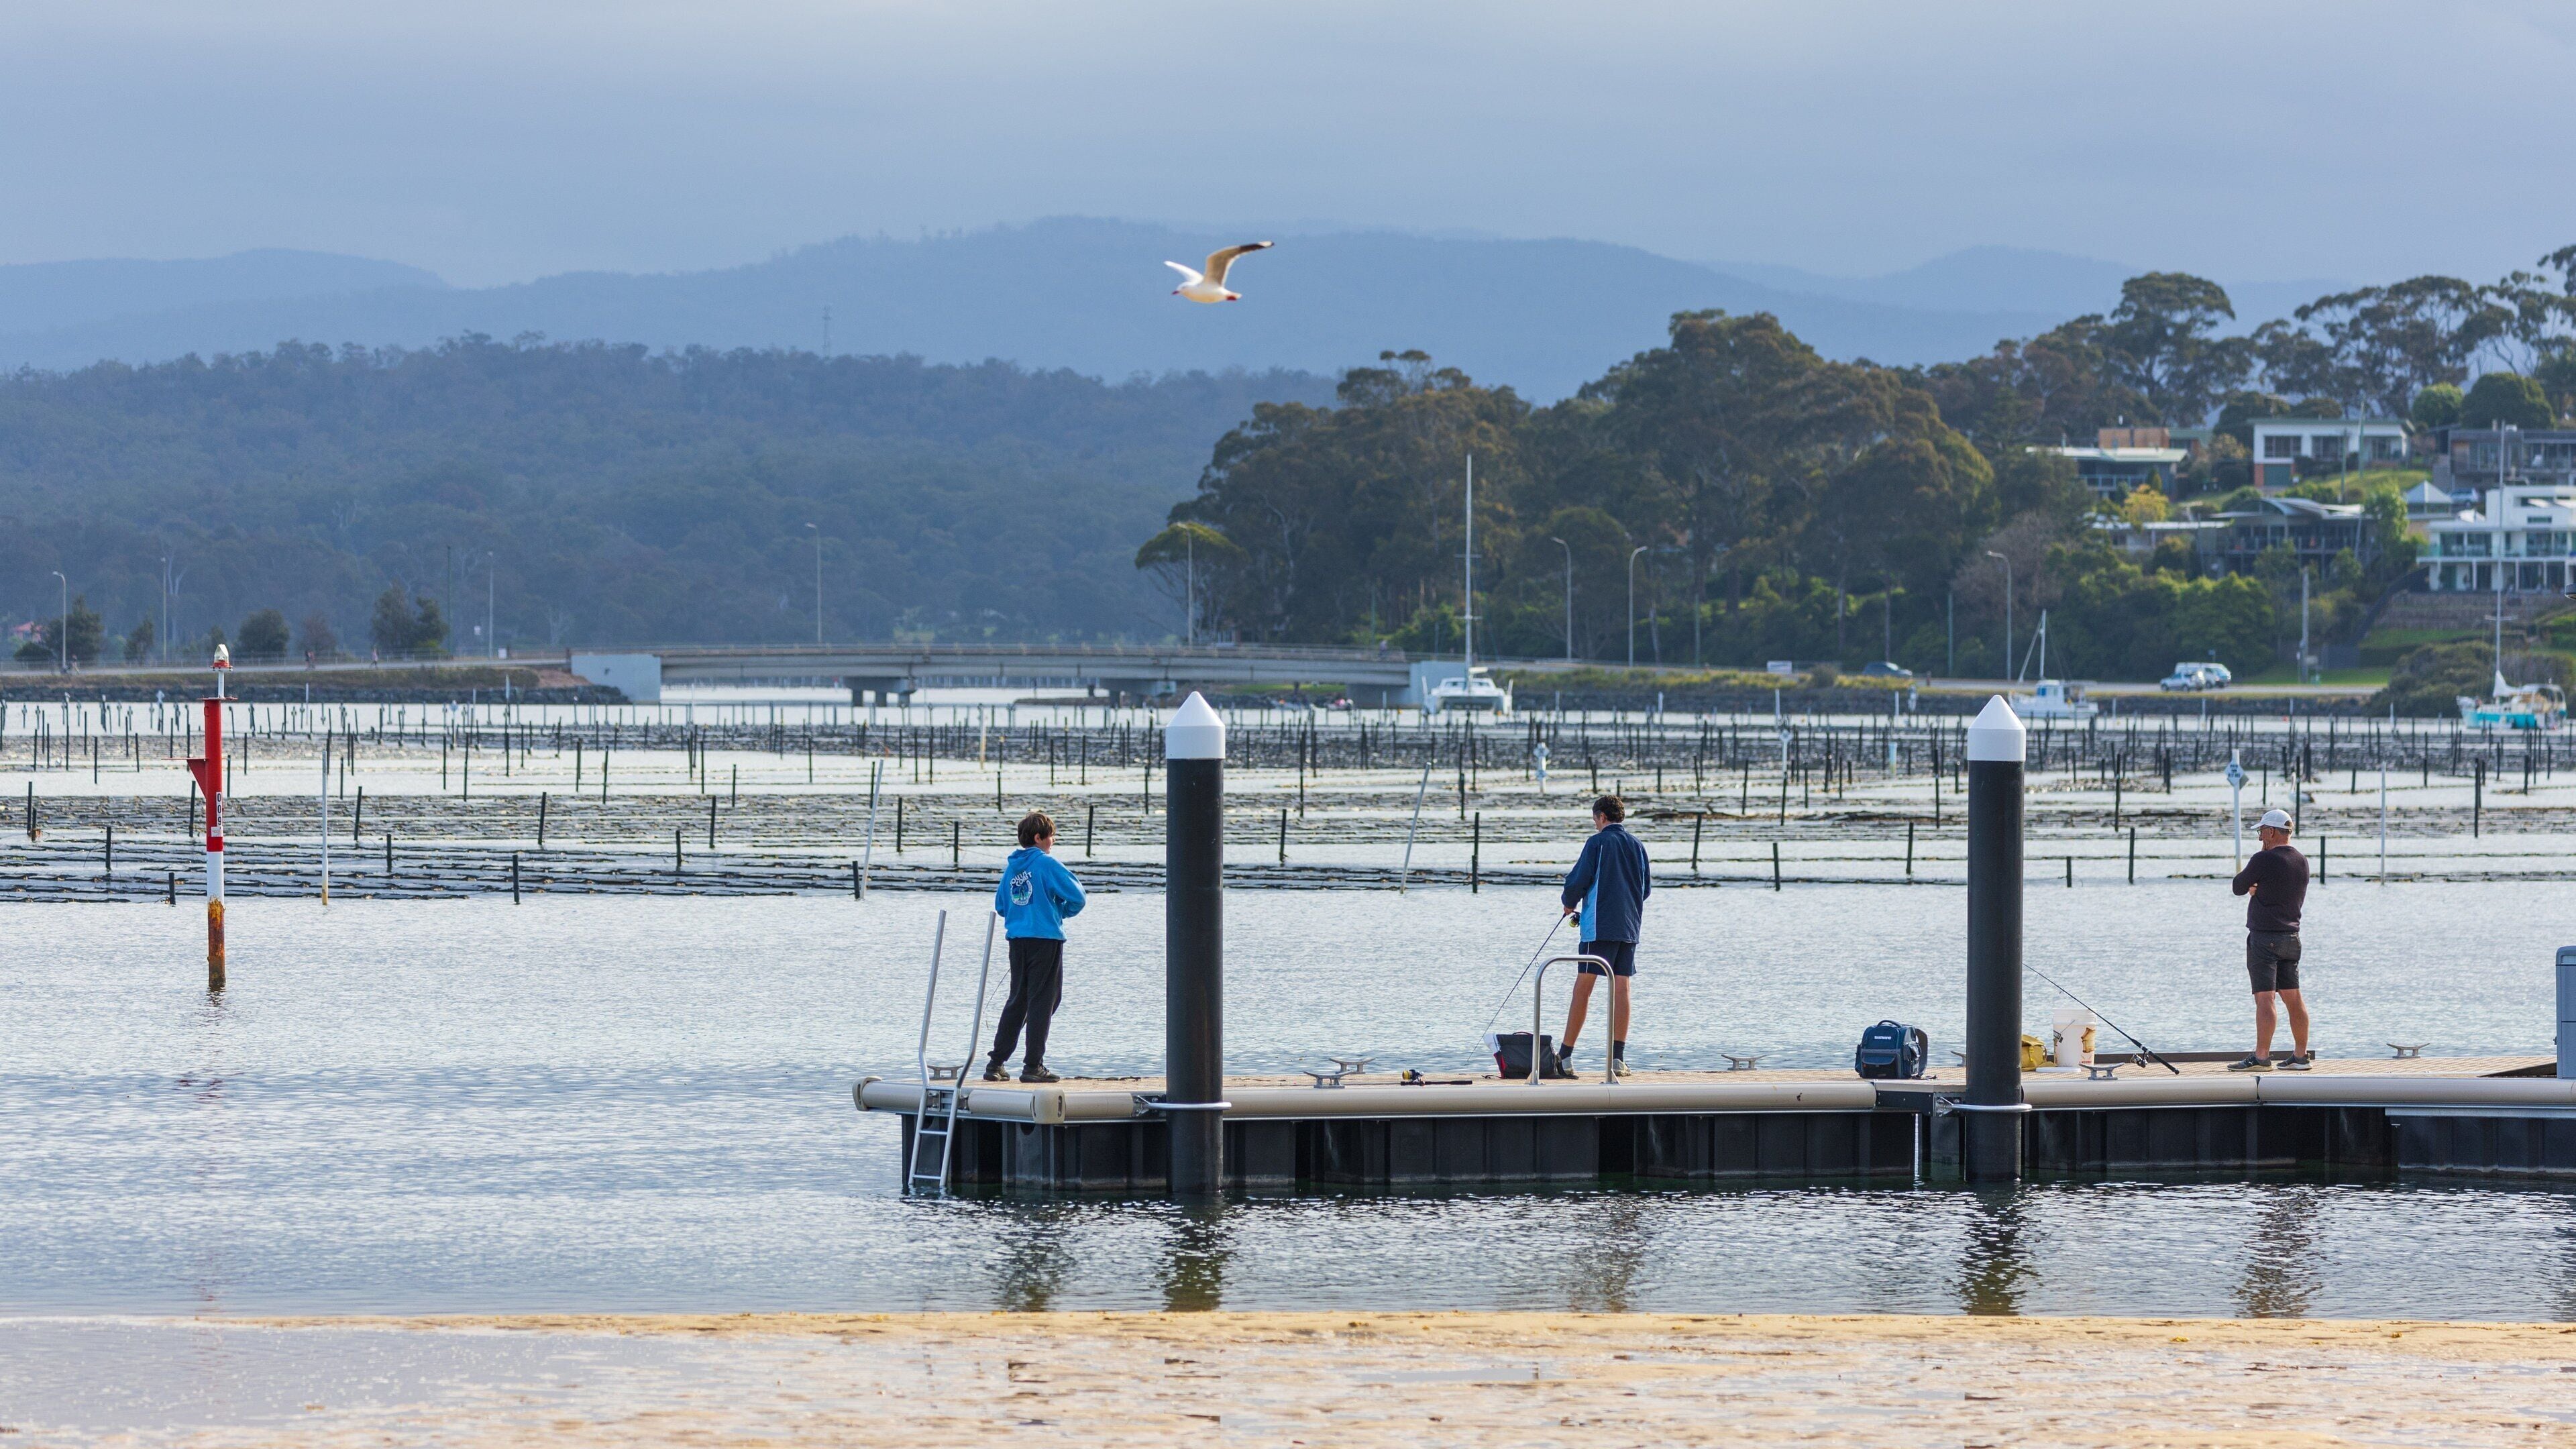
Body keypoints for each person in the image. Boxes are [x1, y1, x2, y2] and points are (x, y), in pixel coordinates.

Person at [987, 810, 1087, 1083]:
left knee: (1018, 999)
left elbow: (1000, 906)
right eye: (1051, 836)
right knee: (1044, 1000)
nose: (1053, 841)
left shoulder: (1012, 867)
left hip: (1018, 940)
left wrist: (1027, 913)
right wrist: (1059, 912)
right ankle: (1033, 1066)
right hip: (1046, 939)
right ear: (1038, 837)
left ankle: (996, 1063)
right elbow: (1078, 896)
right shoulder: (1046, 864)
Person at [1558, 794, 1651, 1077]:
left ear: (1601, 817)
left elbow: (1578, 880)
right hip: (1629, 927)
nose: (1595, 825)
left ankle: (1564, 1057)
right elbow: (1645, 890)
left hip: (1598, 927)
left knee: (1583, 988)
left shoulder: (1597, 842)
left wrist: (1569, 901)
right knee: (1621, 989)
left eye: (1595, 820)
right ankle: (1617, 1059)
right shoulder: (1637, 844)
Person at [2229, 807, 2312, 1071]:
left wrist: (2255, 885)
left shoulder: (2263, 860)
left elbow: (2238, 887)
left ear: (2272, 831)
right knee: (2294, 997)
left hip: (2265, 938)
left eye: (2262, 831)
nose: (2259, 838)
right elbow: (2280, 888)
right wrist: (2260, 886)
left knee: (2265, 998)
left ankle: (2262, 1057)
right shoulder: (2302, 860)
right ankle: (2301, 1056)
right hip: (2292, 937)